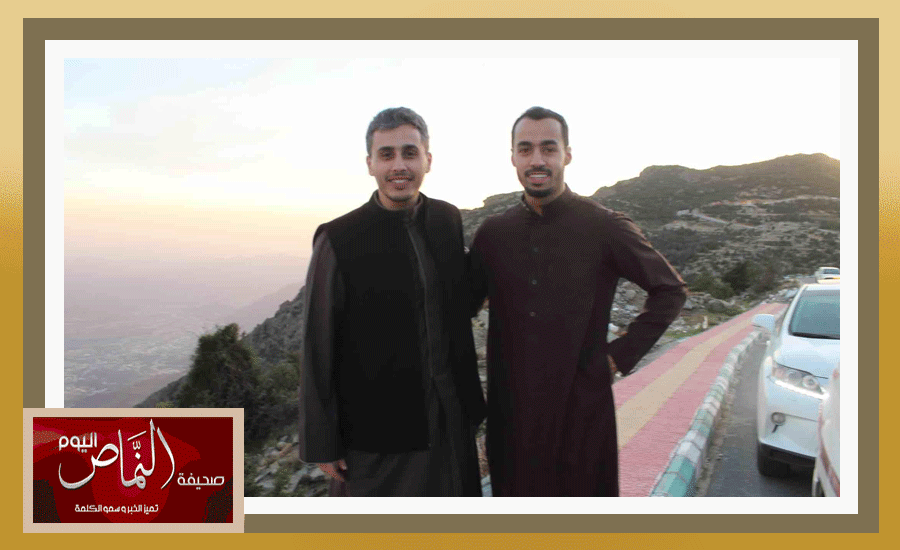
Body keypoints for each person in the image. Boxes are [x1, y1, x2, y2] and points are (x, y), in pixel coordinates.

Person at [469, 106, 687, 496]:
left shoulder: (603, 225)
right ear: (513, 157)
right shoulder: (492, 234)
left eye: (549, 148)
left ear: (567, 154)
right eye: (526, 149)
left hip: (582, 415)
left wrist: (617, 357)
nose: (537, 160)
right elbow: (458, 308)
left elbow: (670, 290)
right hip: (512, 420)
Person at [298, 107, 486, 496]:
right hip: (379, 438)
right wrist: (321, 441)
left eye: (409, 153)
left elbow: (461, 301)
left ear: (427, 159)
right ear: (370, 163)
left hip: (453, 422)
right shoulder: (338, 239)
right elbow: (318, 343)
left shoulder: (447, 220)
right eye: (387, 155)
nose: (399, 165)